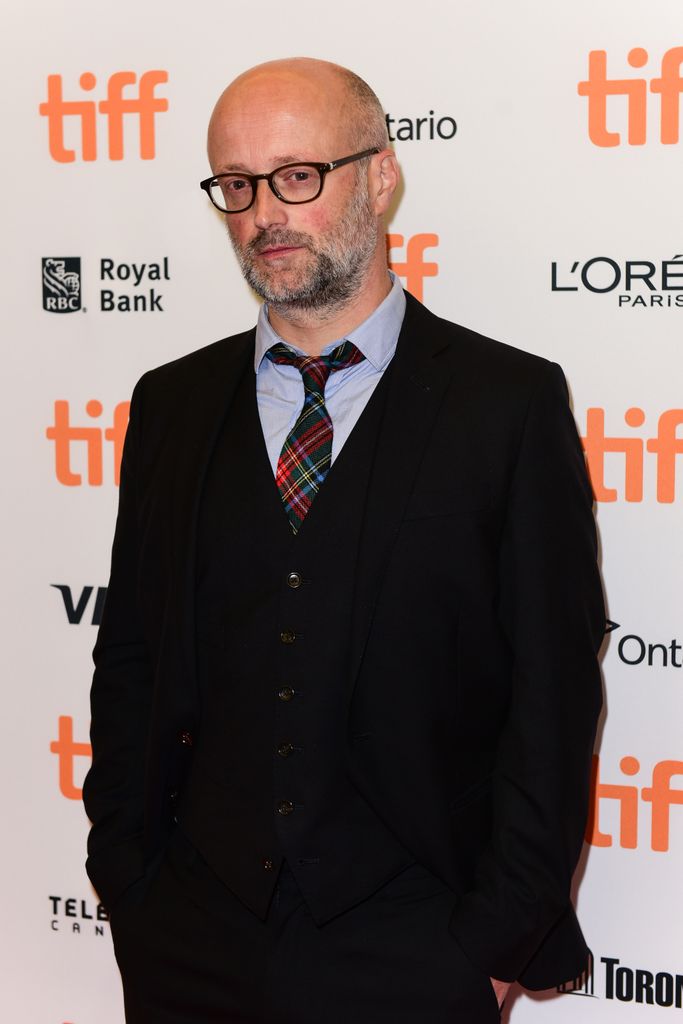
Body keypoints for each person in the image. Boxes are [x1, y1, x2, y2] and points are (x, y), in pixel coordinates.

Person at [83, 57, 605, 1024]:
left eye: (296, 176)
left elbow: (553, 692)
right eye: (236, 185)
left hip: (418, 940)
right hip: (188, 933)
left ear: (380, 175)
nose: (263, 214)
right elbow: (132, 658)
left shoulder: (507, 403)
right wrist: (126, 876)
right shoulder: (171, 404)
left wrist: (493, 943)